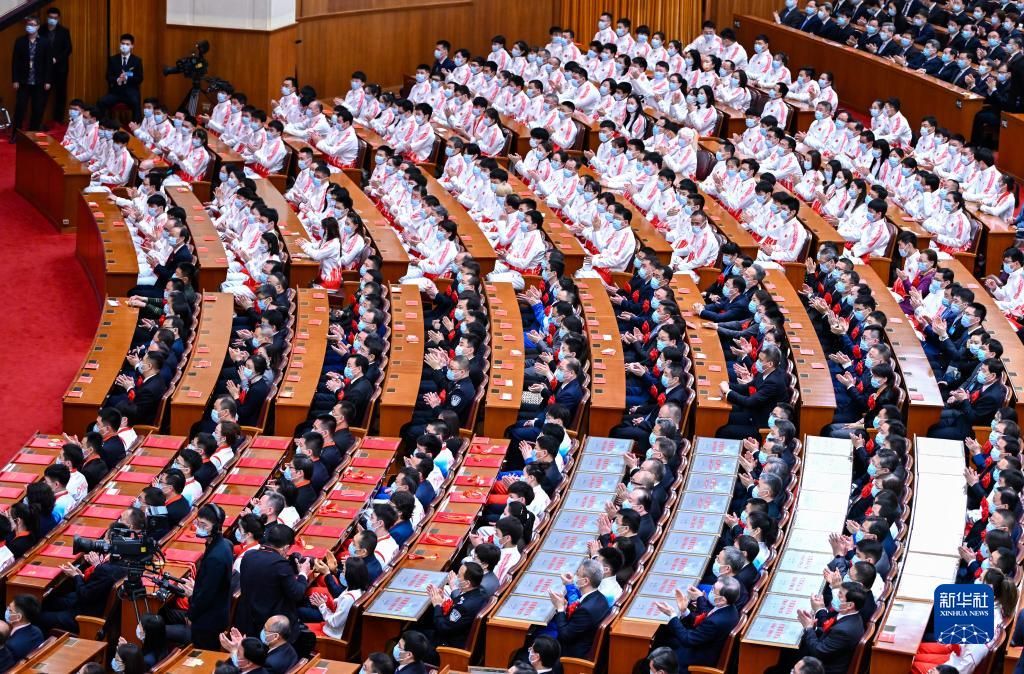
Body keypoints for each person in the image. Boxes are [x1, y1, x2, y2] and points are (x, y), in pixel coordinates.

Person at [234, 523, 311, 639]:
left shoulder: (248, 556)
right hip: (273, 626)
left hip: (248, 621)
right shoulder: (280, 565)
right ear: (285, 548)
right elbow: (297, 593)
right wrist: (303, 573)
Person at [654, 577, 742, 670]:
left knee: (655, 659)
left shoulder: (715, 622)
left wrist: (672, 615)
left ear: (722, 599)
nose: (710, 591)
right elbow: (704, 623)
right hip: (702, 644)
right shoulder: (729, 608)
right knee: (663, 638)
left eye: (713, 590)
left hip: (695, 658)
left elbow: (687, 640)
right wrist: (684, 611)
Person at [179, 504, 234, 648]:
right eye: (198, 523)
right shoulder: (225, 544)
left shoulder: (215, 557)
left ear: (216, 527)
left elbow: (206, 595)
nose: (199, 527)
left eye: (204, 525)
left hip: (208, 621)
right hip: (217, 611)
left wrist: (191, 612)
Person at [547, 559, 611, 658]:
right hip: (583, 641)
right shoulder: (601, 598)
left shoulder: (586, 610)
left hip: (572, 655)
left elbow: (564, 635)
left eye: (578, 573)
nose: (575, 575)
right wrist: (565, 607)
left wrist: (560, 608)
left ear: (585, 581)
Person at [10, 15, 53, 141]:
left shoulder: (45, 42)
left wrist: (48, 80)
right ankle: (15, 134)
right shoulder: (20, 41)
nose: (30, 27)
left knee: (37, 109)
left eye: (33, 25)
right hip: (23, 81)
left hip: (39, 81)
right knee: (20, 109)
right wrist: (15, 79)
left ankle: (32, 135)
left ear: (38, 27)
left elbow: (48, 63)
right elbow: (15, 62)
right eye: (28, 24)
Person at [99, 34, 143, 122]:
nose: (124, 46)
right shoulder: (113, 59)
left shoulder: (137, 60)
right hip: (116, 92)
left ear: (132, 46)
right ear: (120, 44)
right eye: (123, 43)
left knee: (136, 102)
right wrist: (118, 79)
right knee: (101, 102)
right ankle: (102, 125)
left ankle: (136, 126)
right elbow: (108, 77)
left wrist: (127, 77)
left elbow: (140, 78)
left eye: (127, 44)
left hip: (131, 92)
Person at [41, 7, 71, 124]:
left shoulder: (64, 31)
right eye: (50, 17)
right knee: (42, 95)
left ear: (58, 18)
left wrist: (56, 59)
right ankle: (39, 121)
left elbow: (68, 49)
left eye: (55, 18)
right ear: (47, 17)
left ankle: (57, 122)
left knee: (60, 95)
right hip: (44, 68)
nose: (52, 19)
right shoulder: (41, 30)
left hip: (60, 69)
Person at [3, 595, 44, 660]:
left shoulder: (10, 646)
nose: (7, 610)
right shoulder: (37, 631)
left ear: (18, 617)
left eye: (10, 610)